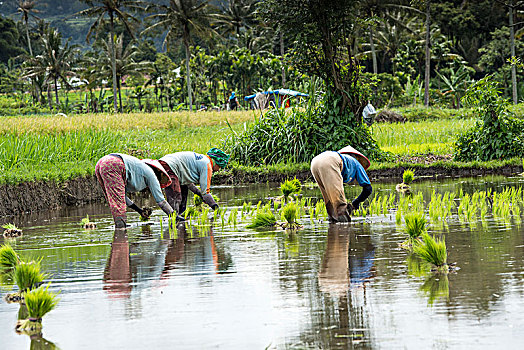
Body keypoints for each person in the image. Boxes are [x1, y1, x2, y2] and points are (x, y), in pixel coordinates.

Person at [95, 153, 175, 228]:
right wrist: (173, 215)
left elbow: (122, 197)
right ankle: (120, 230)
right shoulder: (151, 174)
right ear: (159, 173)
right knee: (118, 205)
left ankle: (120, 227)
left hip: (101, 163)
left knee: (114, 198)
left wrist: (139, 211)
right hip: (113, 164)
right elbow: (161, 200)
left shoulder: (138, 168)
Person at [159, 148, 230, 217]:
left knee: (184, 191)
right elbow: (206, 193)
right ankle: (174, 220)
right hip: (168, 166)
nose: (218, 170)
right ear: (217, 162)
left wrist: (199, 194)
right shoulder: (207, 166)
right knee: (175, 196)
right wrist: (216, 208)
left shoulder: (202, 161)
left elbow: (188, 184)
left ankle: (179, 217)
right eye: (219, 167)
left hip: (165, 163)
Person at [310, 145, 372, 223]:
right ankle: (344, 229)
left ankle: (333, 226)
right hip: (330, 162)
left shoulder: (344, 159)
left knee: (329, 201)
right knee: (340, 204)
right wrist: (356, 202)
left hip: (314, 162)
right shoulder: (356, 163)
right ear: (357, 157)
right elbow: (368, 188)